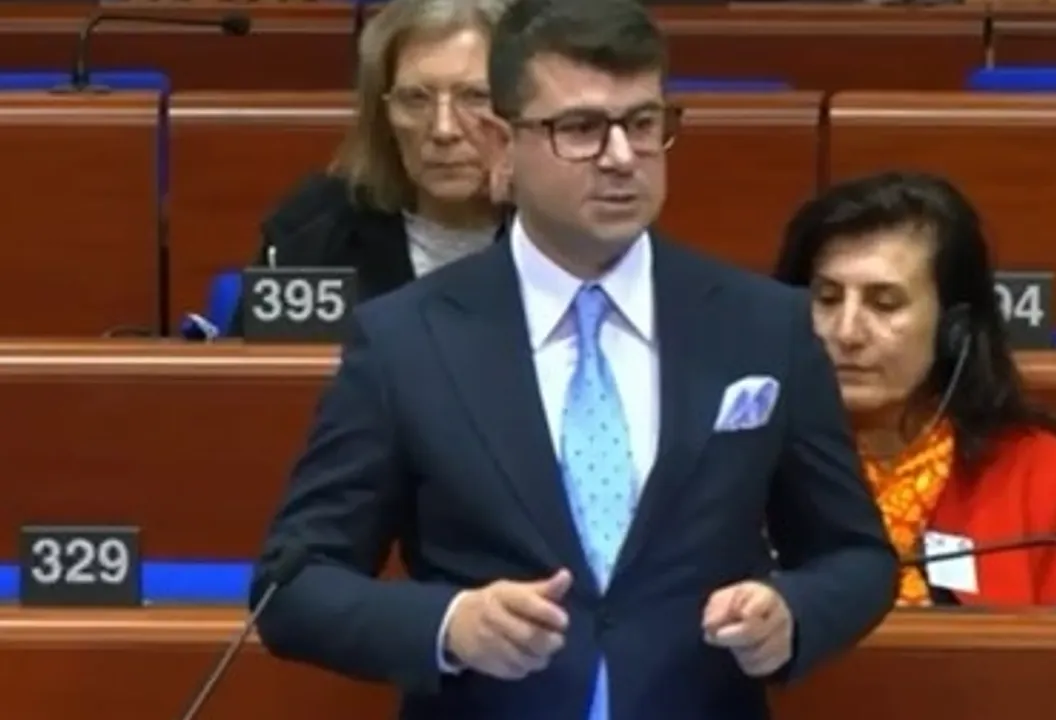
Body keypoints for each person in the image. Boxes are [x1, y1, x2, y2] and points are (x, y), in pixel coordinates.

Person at [250, 0, 898, 717]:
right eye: (581, 129)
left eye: (642, 124)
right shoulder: (406, 340)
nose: (621, 157)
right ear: (503, 143)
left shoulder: (763, 325)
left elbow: (857, 557)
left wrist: (793, 614)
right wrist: (448, 625)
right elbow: (293, 586)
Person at [773, 171, 1056, 607]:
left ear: (954, 329)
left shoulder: (1046, 478)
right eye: (826, 299)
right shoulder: (738, 461)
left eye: (884, 303)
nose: (847, 332)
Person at [226, 0, 513, 336]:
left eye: (475, 96)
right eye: (416, 98)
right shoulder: (315, 227)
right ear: (383, 114)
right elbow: (258, 365)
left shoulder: (560, 232)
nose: (443, 129)